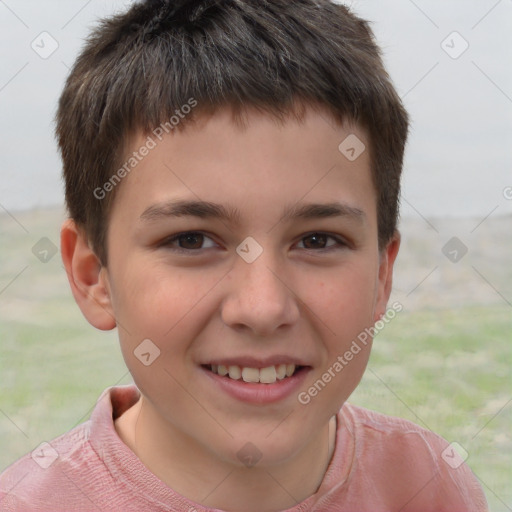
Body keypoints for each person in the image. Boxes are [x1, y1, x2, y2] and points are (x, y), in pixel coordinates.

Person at [0, 0, 488, 510]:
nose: (263, 308)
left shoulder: (431, 486)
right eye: (191, 240)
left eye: (318, 240)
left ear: (382, 276)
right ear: (93, 275)